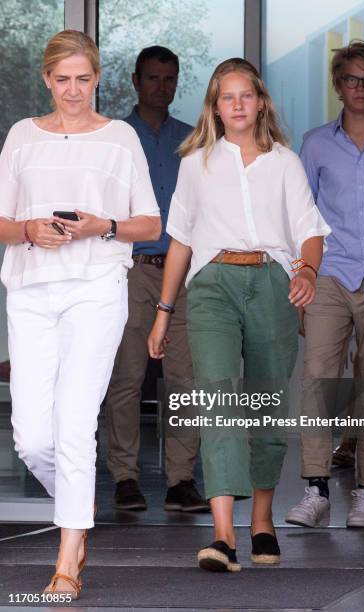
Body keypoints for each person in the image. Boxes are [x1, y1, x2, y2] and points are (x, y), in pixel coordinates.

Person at [148, 57, 330, 572]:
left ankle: (263, 521)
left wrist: (308, 272)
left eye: (245, 95)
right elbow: (180, 239)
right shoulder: (195, 162)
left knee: (266, 405)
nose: (236, 104)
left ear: (260, 102)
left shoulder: (285, 162)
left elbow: (309, 231)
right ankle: (223, 535)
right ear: (215, 106)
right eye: (226, 97)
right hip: (211, 287)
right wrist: (164, 312)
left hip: (272, 282)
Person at [0, 30, 160, 598]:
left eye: (84, 79)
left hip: (96, 288)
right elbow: (0, 219)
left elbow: (150, 222)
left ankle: (69, 554)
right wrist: (26, 229)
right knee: (31, 437)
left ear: (98, 79)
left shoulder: (119, 138)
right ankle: (79, 506)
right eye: (62, 79)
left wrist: (102, 226)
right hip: (31, 291)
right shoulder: (21, 136)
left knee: (73, 423)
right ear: (46, 80)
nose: (73, 90)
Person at [286, 41, 364, 530]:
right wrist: (302, 276)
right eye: (351, 79)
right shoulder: (315, 143)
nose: (360, 88)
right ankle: (315, 490)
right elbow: (300, 218)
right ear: (338, 85)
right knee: (319, 381)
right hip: (330, 276)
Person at [105, 46, 208, 512]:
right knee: (126, 377)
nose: (161, 87)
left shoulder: (193, 139)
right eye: (152, 78)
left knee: (183, 379)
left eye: (169, 78)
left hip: (182, 273)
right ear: (135, 80)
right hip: (130, 270)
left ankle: (180, 480)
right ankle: (125, 477)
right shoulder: (112, 138)